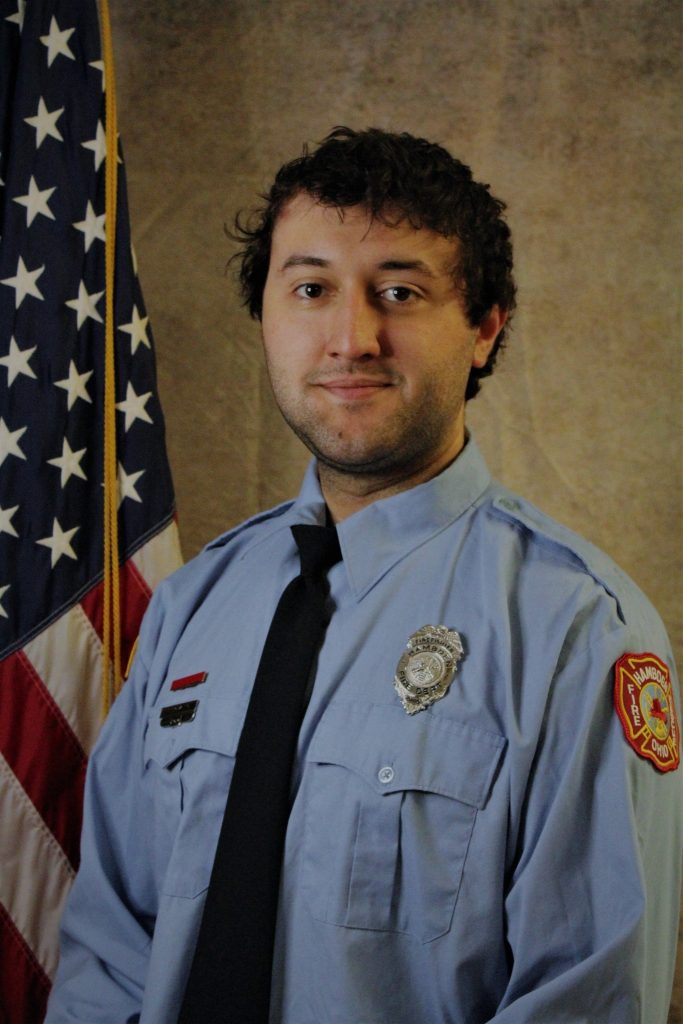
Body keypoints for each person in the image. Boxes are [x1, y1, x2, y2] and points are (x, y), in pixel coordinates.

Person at [46, 127, 681, 1023]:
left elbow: (585, 999)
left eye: (399, 291)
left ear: (484, 329)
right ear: (266, 316)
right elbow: (109, 951)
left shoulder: (576, 627)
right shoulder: (195, 605)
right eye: (310, 289)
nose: (351, 336)